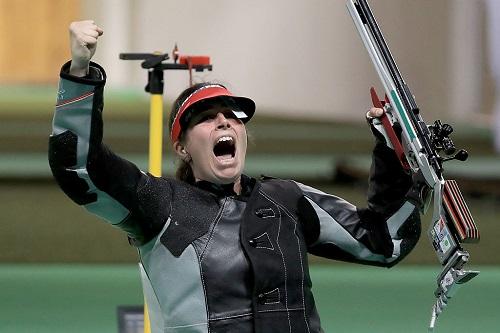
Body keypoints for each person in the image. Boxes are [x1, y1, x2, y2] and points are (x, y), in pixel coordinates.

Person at [49, 21, 423, 333]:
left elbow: (384, 240)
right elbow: (79, 169)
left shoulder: (287, 198)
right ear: (181, 148)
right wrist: (80, 75)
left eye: (231, 115)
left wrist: (392, 152)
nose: (224, 120)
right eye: (206, 117)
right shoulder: (160, 203)